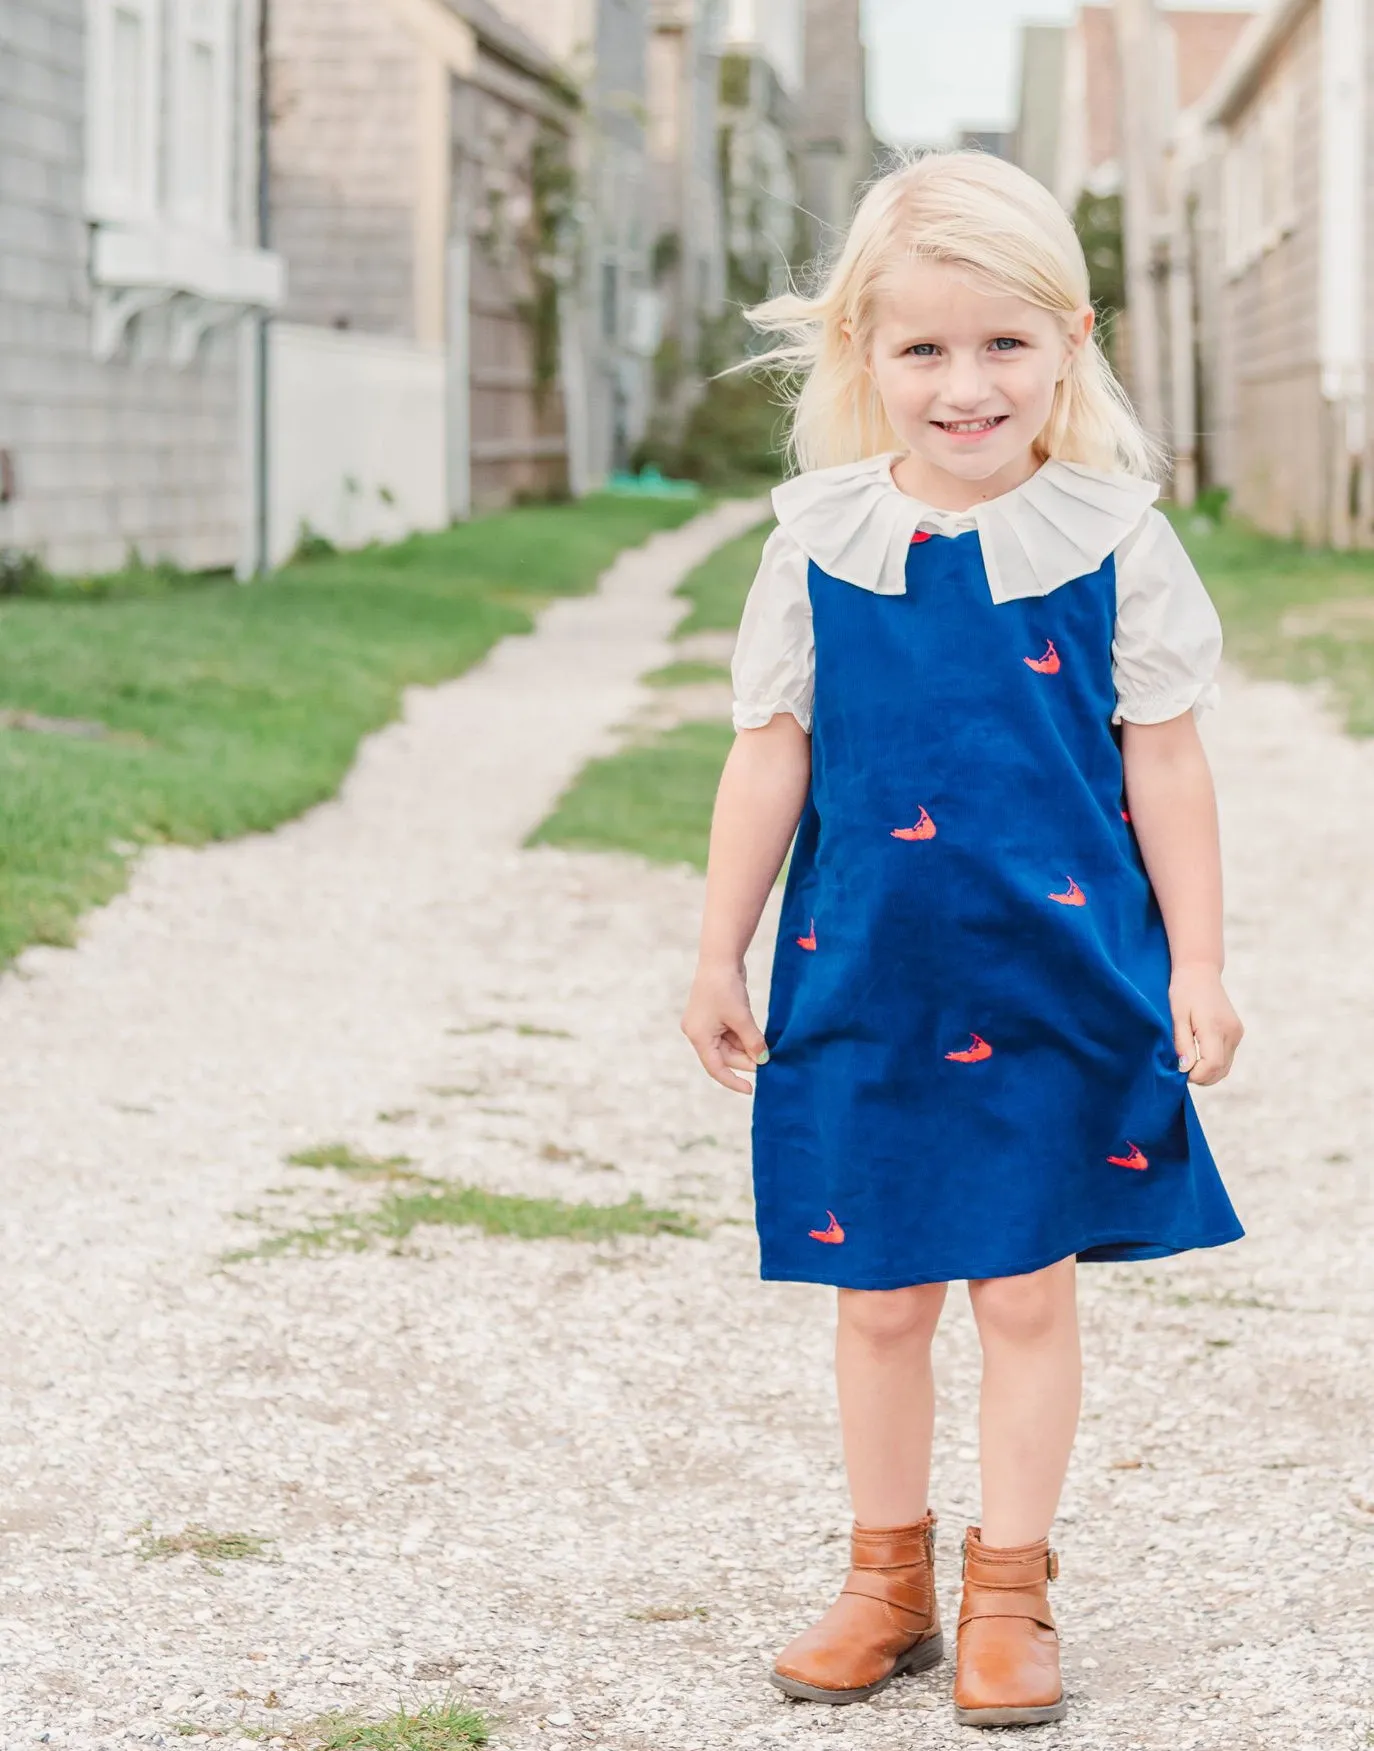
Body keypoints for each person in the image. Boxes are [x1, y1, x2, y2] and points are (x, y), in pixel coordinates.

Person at [679, 149, 1246, 1729]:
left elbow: (1167, 761)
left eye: (1001, 343)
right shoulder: (817, 544)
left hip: (1055, 975)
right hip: (863, 974)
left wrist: (1197, 961)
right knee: (877, 1299)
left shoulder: (1116, 540)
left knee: (1022, 1289)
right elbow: (768, 748)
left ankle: (1011, 1590)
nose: (964, 382)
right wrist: (715, 949)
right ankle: (884, 1580)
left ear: (1069, 341)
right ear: (864, 352)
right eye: (922, 346)